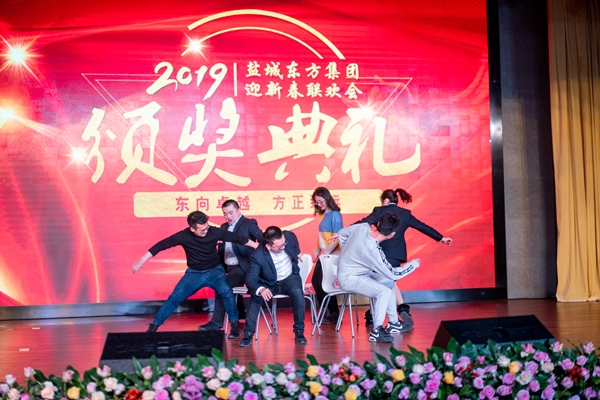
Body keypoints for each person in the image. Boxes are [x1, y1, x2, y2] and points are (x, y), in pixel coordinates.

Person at [132, 211, 258, 337]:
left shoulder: (213, 231)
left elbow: (238, 238)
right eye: (202, 230)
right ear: (192, 229)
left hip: (214, 271)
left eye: (207, 227)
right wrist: (141, 260)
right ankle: (154, 326)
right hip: (194, 274)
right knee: (174, 298)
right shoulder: (183, 236)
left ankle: (234, 325)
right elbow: (161, 245)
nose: (206, 231)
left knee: (226, 291)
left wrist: (257, 246)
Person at [358, 188, 452, 329]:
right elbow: (422, 227)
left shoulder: (379, 210)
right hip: (396, 255)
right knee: (388, 283)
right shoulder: (405, 214)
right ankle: (397, 311)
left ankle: (376, 316)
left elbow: (363, 223)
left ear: (385, 200)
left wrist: (343, 233)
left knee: (382, 285)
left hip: (378, 254)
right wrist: (441, 238)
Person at [336, 212, 409, 342]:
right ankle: (376, 331)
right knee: (384, 291)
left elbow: (341, 233)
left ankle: (393, 323)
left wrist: (346, 253)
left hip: (361, 274)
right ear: (392, 234)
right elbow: (393, 273)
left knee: (389, 282)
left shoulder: (362, 226)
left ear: (379, 224)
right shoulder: (373, 251)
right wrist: (413, 265)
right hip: (349, 278)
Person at [197, 200, 263, 332]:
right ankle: (240, 312)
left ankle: (216, 323)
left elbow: (262, 238)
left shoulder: (248, 223)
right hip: (228, 267)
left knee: (222, 286)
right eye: (225, 214)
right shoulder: (223, 227)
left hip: (244, 267)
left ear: (238, 210)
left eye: (231, 213)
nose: (228, 216)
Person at [238, 226, 307, 347]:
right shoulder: (257, 256)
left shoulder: (288, 236)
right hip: (270, 283)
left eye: (284, 243)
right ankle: (248, 334)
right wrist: (261, 289)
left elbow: (293, 239)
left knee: (298, 292)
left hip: (289, 278)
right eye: (279, 246)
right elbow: (250, 279)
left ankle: (299, 332)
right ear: (268, 246)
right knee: (255, 296)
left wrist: (297, 252)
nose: (283, 247)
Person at [311, 187, 343, 323]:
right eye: (317, 202)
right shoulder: (323, 215)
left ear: (327, 198)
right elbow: (320, 238)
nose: (319, 204)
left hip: (332, 254)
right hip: (325, 254)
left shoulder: (336, 214)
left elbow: (338, 237)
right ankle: (329, 311)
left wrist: (327, 252)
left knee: (323, 283)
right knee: (317, 282)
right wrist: (316, 251)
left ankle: (333, 313)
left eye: (321, 201)